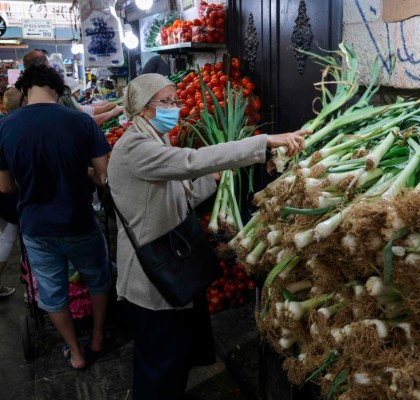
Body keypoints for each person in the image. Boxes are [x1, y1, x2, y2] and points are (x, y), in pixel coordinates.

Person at [107, 73, 309, 400]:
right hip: (150, 278)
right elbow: (191, 161)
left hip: (168, 266)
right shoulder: (134, 147)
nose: (176, 108)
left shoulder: (155, 140)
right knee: (159, 363)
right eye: (167, 102)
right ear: (144, 108)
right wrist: (265, 142)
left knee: (172, 359)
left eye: (176, 101)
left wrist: (212, 177)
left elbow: (178, 197)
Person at [0, 65, 112, 370]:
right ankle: (99, 337)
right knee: (99, 277)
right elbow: (104, 178)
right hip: (79, 221)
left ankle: (75, 352)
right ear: (58, 89)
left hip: (36, 227)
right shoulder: (80, 121)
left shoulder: (6, 126)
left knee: (51, 292)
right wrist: (79, 173)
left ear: (24, 90)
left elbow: (5, 186)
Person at [0, 88, 24, 297]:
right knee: (12, 234)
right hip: (12, 190)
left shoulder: (3, 124)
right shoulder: (18, 127)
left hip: (5, 188)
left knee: (9, 234)